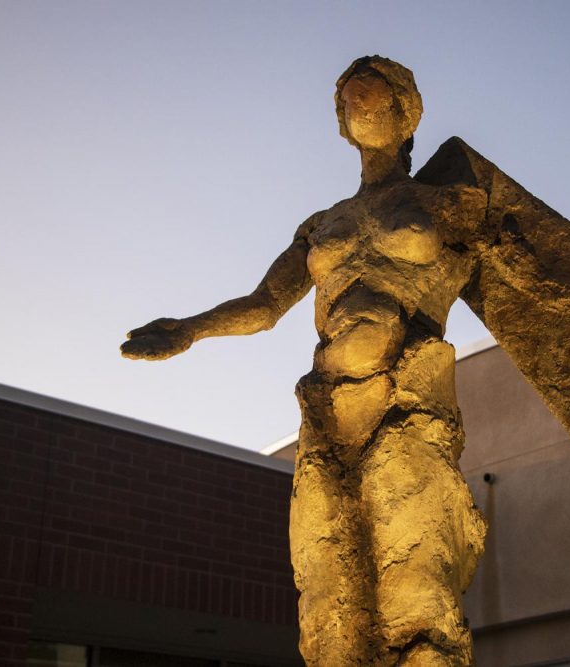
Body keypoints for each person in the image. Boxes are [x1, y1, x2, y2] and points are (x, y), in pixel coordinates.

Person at [122, 56, 488, 666]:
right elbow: (266, 304)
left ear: (407, 113)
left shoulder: (452, 203)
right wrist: (191, 329)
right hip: (326, 407)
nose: (362, 111)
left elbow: (533, 278)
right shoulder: (323, 226)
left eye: (376, 101)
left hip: (410, 397)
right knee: (330, 600)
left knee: (416, 587)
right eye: (352, 103)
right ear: (342, 123)